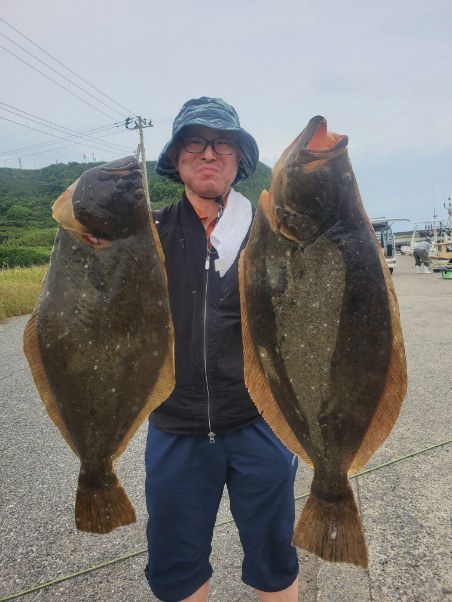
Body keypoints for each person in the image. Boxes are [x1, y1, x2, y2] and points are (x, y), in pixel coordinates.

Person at [144, 97, 299, 602]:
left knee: (275, 558)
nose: (208, 153)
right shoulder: (145, 235)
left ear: (239, 158)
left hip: (262, 422)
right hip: (175, 426)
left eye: (223, 143)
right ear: (176, 156)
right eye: (195, 141)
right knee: (176, 567)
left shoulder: (274, 231)